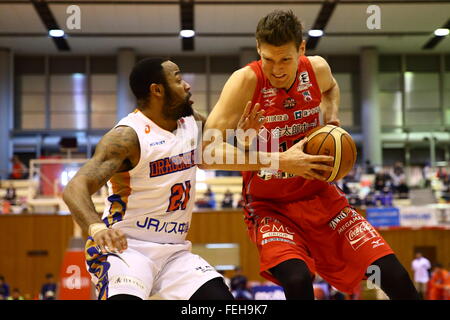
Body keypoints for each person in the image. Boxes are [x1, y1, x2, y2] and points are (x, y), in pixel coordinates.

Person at [202, 10, 419, 300]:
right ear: (258, 49)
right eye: (268, 59)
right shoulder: (244, 82)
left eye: (285, 60)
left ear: (301, 49)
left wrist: (331, 113)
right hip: (271, 205)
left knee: (395, 276)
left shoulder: (317, 69)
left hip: (322, 198)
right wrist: (277, 159)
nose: (276, 69)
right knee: (297, 279)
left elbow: (331, 88)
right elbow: (206, 153)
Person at [63, 58, 233, 300]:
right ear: (157, 90)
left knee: (222, 302)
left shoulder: (192, 123)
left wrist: (245, 137)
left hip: (175, 253)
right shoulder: (127, 137)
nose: (187, 86)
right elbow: (75, 187)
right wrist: (96, 227)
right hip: (126, 249)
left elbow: (226, 146)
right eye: (178, 79)